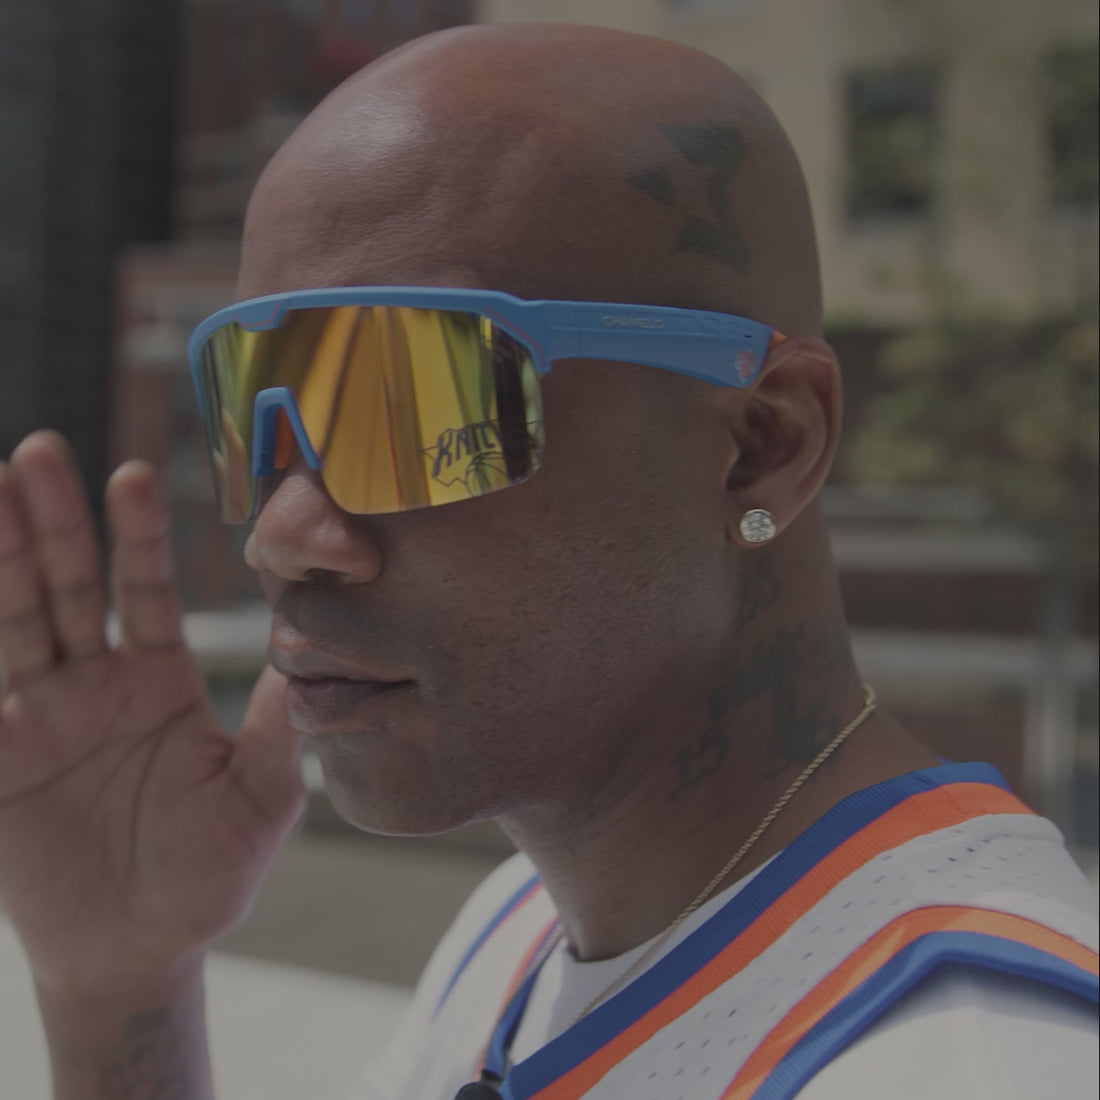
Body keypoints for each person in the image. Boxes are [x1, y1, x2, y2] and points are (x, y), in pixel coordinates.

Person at [0, 22, 1095, 1100]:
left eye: (415, 403)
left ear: (763, 444)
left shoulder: (971, 1060)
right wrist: (120, 987)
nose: (281, 532)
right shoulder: (520, 928)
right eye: (251, 406)